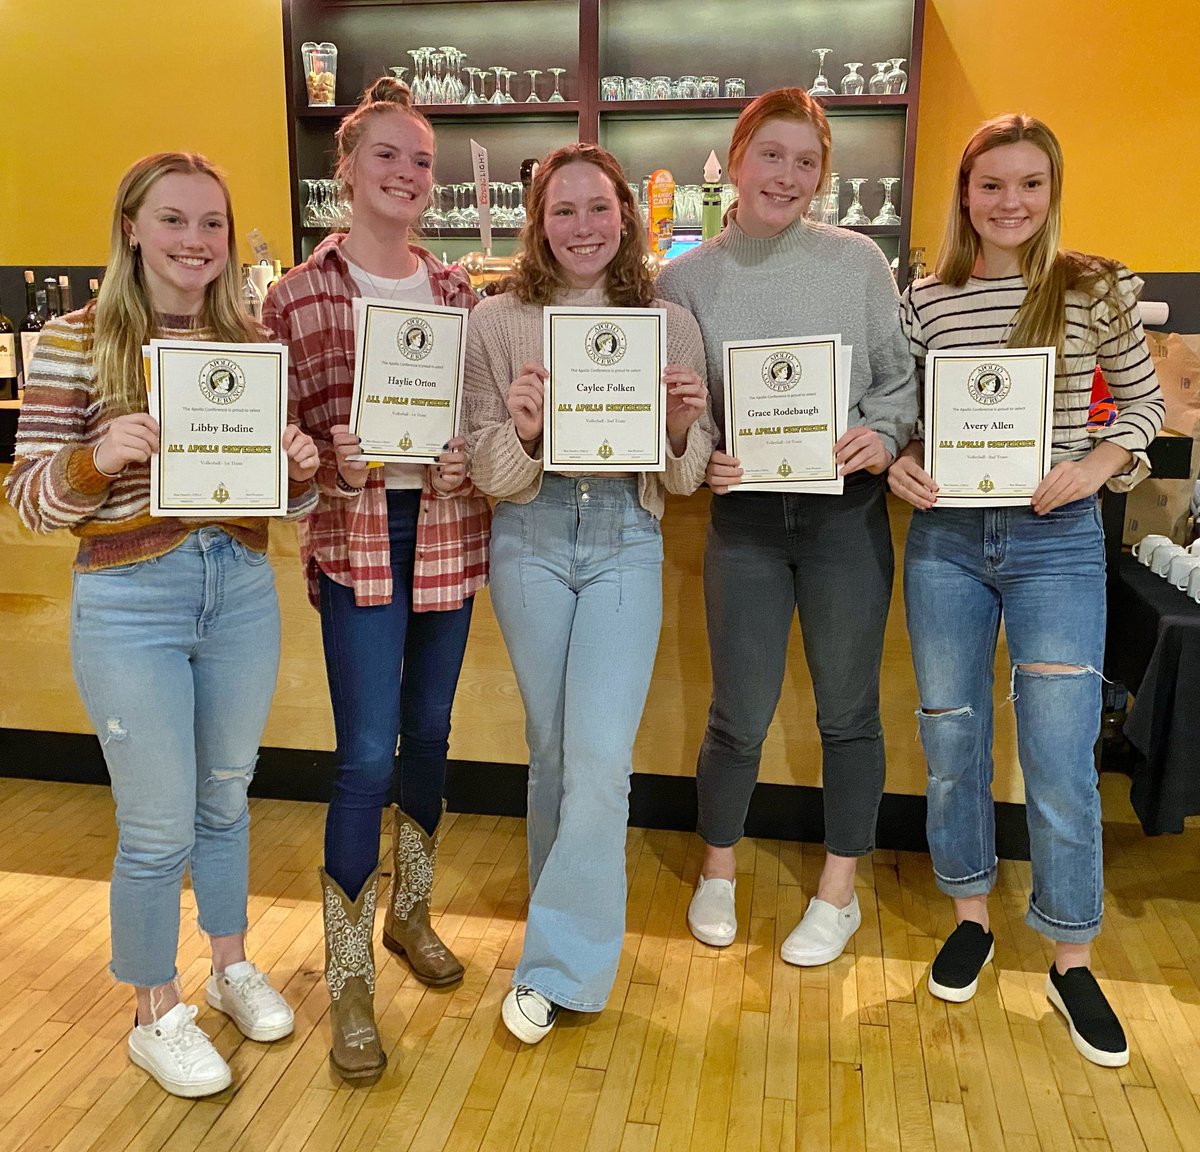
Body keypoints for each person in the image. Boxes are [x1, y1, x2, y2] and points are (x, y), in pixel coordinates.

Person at [4, 152, 319, 1097]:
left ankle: (229, 965)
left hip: (240, 590)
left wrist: (299, 467)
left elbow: (286, 504)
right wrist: (97, 459)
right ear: (132, 227)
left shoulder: (253, 343)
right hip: (129, 600)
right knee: (153, 827)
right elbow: (26, 503)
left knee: (227, 796)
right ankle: (152, 1010)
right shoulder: (73, 339)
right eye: (175, 221)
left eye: (213, 224)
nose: (196, 242)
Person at [888, 114, 1164, 1067]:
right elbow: (905, 418)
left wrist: (1095, 468)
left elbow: (1143, 404)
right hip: (947, 539)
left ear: (1053, 191)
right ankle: (970, 912)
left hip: (1057, 541)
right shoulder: (926, 298)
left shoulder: (1091, 289)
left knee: (1057, 752)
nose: (1010, 203)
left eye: (1030, 185)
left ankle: (1071, 954)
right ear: (965, 193)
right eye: (991, 185)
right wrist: (904, 462)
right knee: (952, 731)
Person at [656, 88, 918, 966]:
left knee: (849, 713)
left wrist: (878, 437)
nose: (789, 176)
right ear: (735, 161)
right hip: (747, 521)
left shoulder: (857, 263)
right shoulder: (682, 279)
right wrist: (708, 447)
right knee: (737, 713)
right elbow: (681, 410)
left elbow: (896, 384)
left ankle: (838, 892)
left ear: (824, 175)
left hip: (845, 516)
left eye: (807, 162)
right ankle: (718, 870)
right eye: (772, 155)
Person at [462, 142, 716, 1044]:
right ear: (538, 222)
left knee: (602, 760)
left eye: (598, 209)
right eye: (562, 210)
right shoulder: (496, 322)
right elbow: (482, 468)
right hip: (529, 537)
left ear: (627, 217)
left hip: (623, 541)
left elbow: (685, 478)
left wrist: (682, 423)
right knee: (553, 753)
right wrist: (525, 433)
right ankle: (559, 925)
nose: (581, 227)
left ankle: (558, 966)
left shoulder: (669, 322)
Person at [262, 78, 489, 1084]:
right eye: (387, 155)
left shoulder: (462, 300)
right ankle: (347, 972)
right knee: (362, 754)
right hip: (355, 539)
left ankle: (410, 916)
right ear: (345, 167)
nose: (406, 174)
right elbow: (274, 446)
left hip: (444, 532)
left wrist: (462, 459)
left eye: (421, 161)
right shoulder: (295, 296)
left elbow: (485, 434)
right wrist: (321, 454)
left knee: (432, 733)